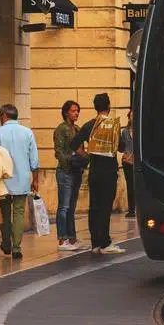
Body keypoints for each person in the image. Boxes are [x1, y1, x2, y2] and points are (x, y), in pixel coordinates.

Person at [71, 93, 125, 255]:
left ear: (95, 107)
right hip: (109, 171)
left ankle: (95, 243)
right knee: (105, 207)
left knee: (94, 207)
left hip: (94, 171)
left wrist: (87, 155)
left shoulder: (89, 126)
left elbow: (74, 144)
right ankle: (105, 242)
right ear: (108, 107)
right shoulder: (113, 126)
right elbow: (121, 147)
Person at [0, 104, 40, 260]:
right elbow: (34, 160)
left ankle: (6, 242)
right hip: (22, 178)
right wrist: (35, 180)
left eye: (0, 116)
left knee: (5, 212)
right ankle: (16, 247)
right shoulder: (27, 133)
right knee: (19, 212)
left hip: (3, 179)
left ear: (4, 115)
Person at [54, 101, 87, 251]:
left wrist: (83, 160)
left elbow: (82, 149)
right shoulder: (61, 129)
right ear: (66, 112)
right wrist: (71, 160)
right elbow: (59, 151)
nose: (76, 113)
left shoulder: (77, 129)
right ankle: (62, 239)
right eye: (73, 111)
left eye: (78, 111)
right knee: (64, 206)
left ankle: (72, 237)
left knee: (71, 207)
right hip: (65, 171)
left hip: (76, 171)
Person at [120, 113, 136, 218]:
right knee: (130, 185)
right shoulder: (124, 131)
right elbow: (122, 147)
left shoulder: (139, 131)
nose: (132, 117)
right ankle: (131, 210)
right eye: (131, 115)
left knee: (136, 186)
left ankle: (138, 208)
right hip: (126, 161)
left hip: (136, 161)